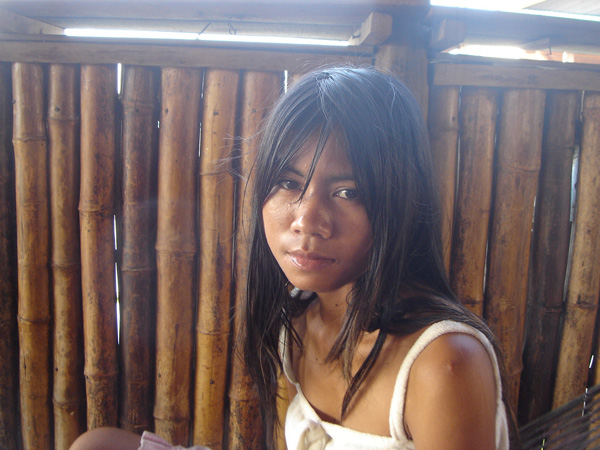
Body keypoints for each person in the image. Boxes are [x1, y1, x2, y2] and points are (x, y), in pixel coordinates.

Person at [70, 66, 514, 450]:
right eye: (288, 183)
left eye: (348, 192)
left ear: (400, 204)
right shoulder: (299, 320)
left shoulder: (443, 364)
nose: (307, 221)